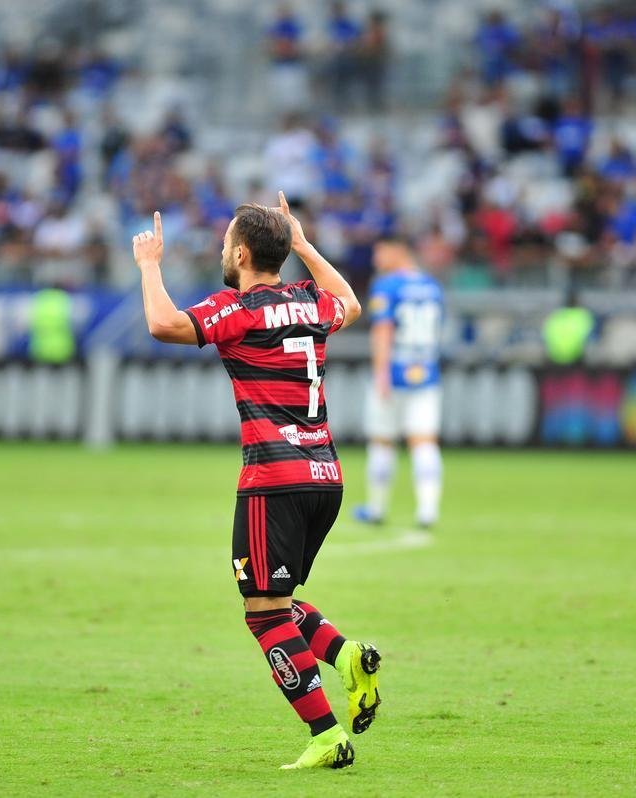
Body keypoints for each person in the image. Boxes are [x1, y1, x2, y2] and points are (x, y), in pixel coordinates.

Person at [131, 195, 379, 770]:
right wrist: (304, 243)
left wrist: (149, 265)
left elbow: (163, 324)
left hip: (273, 479)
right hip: (325, 476)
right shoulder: (310, 302)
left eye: (224, 242)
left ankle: (326, 736)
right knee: (280, 599)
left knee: (264, 613)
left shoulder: (239, 309)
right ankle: (346, 660)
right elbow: (351, 303)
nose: (222, 249)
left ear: (240, 253)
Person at [353, 237, 444, 528]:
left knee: (382, 441)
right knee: (424, 441)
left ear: (398, 251)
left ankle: (376, 508)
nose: (377, 258)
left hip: (393, 372)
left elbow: (383, 331)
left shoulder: (388, 286)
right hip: (426, 372)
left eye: (381, 251)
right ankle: (428, 510)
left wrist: (381, 373)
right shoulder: (432, 287)